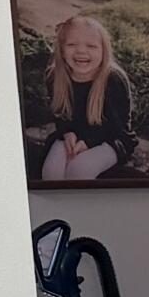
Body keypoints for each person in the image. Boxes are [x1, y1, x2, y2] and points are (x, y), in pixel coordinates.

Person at [28, 12, 141, 181]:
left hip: (112, 138)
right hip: (74, 134)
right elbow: (60, 114)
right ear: (61, 49)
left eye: (91, 46)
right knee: (51, 172)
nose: (81, 51)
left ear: (104, 50)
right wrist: (67, 133)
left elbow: (118, 127)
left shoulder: (113, 79)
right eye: (72, 44)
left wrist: (88, 142)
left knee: (79, 170)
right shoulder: (55, 76)